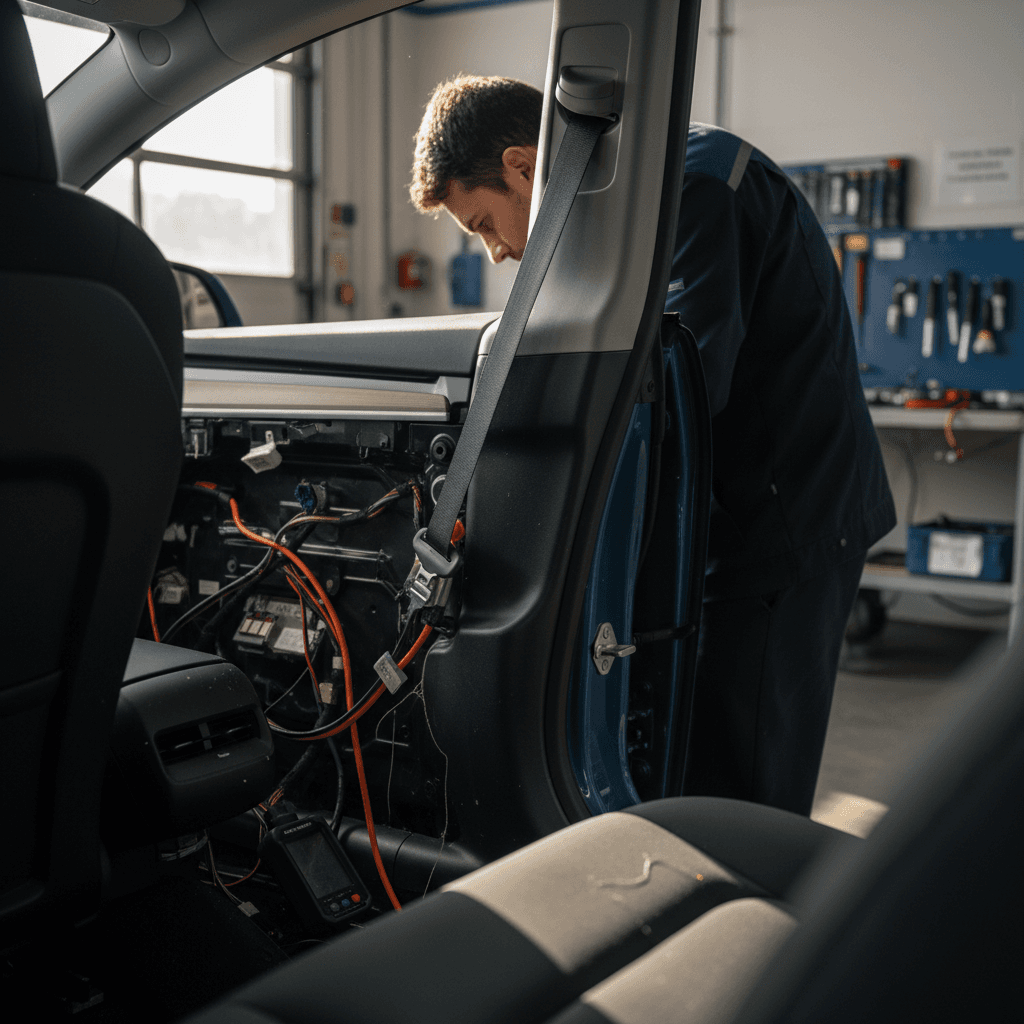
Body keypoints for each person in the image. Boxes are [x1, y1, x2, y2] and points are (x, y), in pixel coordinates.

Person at [408, 75, 896, 817]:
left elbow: (680, 389)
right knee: (689, 751)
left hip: (785, 523)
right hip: (729, 513)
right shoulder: (624, 200)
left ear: (518, 164)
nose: (500, 252)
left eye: (483, 224)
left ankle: (748, 915)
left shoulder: (694, 187)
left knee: (746, 772)